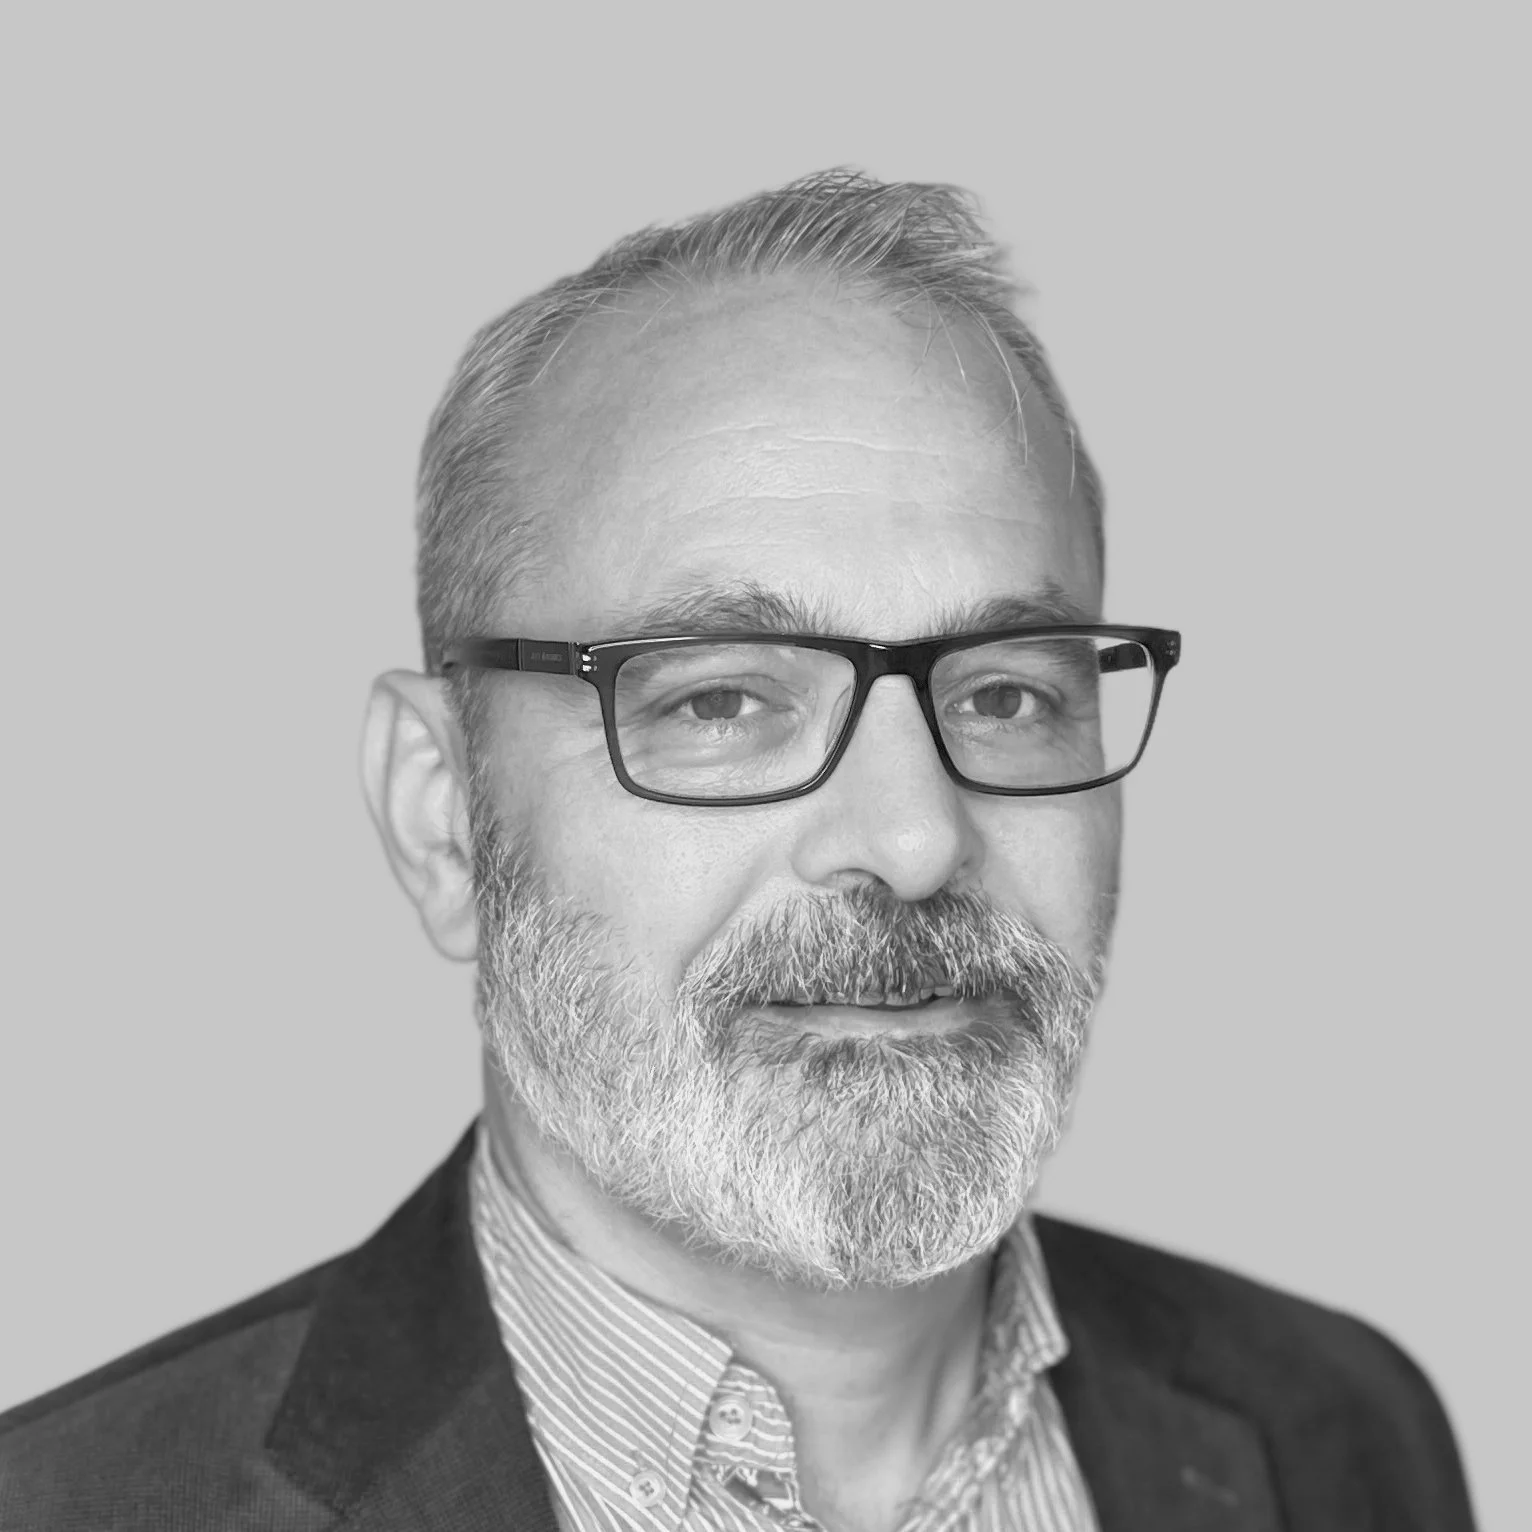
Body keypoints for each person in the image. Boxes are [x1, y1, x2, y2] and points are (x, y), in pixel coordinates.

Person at [0, 169, 1476, 1532]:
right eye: (722, 699)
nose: (909, 839)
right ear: (443, 811)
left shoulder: (1343, 1431)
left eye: (1009, 692)